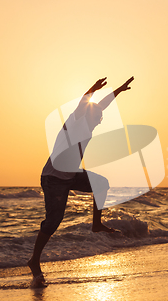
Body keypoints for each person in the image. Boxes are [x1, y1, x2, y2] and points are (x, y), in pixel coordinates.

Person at [28, 76, 134, 287]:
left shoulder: (88, 127)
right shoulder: (75, 121)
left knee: (101, 183)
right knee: (53, 222)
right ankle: (34, 261)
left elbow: (102, 105)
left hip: (70, 175)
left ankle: (96, 224)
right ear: (90, 114)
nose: (101, 119)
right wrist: (91, 90)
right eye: (99, 116)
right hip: (53, 178)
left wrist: (119, 91)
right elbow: (83, 105)